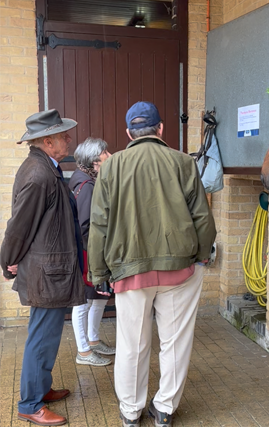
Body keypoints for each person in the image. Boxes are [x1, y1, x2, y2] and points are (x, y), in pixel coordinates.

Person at [88, 101, 217, 427]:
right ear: (161, 129)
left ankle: (131, 412)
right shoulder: (183, 162)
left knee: (132, 344)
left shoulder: (111, 167)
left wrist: (99, 272)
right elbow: (203, 218)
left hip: (129, 270)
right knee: (175, 342)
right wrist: (201, 256)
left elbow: (99, 224)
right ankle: (164, 410)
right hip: (180, 269)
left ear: (129, 133)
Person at [0, 109, 86, 427]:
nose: (69, 139)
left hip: (51, 271)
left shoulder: (46, 167)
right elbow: (19, 227)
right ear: (47, 141)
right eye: (63, 135)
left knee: (47, 335)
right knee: (41, 336)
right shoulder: (39, 174)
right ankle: (29, 404)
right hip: (46, 274)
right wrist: (7, 260)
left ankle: (41, 389)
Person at [69, 137, 115, 366]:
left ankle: (94, 340)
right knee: (84, 301)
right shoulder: (86, 186)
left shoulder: (86, 179)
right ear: (95, 160)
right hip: (88, 252)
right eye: (105, 152)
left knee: (98, 297)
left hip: (92, 251)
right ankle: (84, 352)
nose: (109, 154)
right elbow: (85, 226)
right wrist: (99, 255)